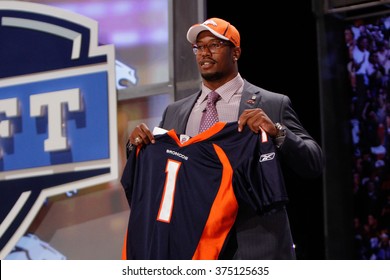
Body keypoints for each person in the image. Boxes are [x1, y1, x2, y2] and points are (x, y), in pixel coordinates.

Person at [122, 17, 323, 259]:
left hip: (254, 245)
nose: (204, 53)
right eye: (199, 47)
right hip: (194, 244)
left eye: (214, 45)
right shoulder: (175, 112)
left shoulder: (271, 103)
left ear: (235, 51)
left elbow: (314, 163)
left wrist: (277, 131)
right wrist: (135, 147)